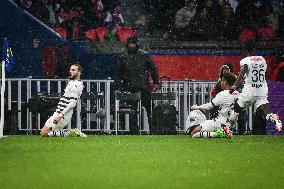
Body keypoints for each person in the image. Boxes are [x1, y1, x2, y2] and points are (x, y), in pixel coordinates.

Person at [229, 41, 282, 134]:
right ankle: (274, 117)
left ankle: (229, 128)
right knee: (266, 113)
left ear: (244, 50)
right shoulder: (262, 59)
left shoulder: (245, 60)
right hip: (262, 90)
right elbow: (267, 73)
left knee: (236, 107)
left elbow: (243, 71)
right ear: (254, 49)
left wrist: (235, 85)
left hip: (250, 91)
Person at [116, 36, 160, 134]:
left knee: (150, 110)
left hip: (143, 87)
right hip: (130, 87)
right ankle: (134, 131)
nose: (132, 46)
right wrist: (117, 86)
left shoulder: (144, 55)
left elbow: (153, 68)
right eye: (130, 44)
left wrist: (156, 82)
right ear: (127, 45)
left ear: (137, 45)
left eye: (133, 44)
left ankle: (154, 131)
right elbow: (119, 73)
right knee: (133, 112)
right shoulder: (123, 57)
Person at [40, 64, 86, 137]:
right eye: (70, 70)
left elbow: (72, 103)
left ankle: (71, 132)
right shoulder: (72, 82)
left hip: (63, 114)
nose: (70, 71)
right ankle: (71, 132)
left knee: (43, 133)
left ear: (79, 72)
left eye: (73, 70)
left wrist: (60, 115)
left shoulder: (76, 84)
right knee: (44, 133)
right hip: (59, 112)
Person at [190, 72, 239, 138]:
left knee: (193, 133)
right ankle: (223, 132)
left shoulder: (223, 94)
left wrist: (196, 107)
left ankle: (219, 134)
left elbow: (209, 106)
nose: (220, 83)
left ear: (225, 82)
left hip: (219, 122)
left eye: (221, 81)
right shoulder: (238, 94)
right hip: (231, 125)